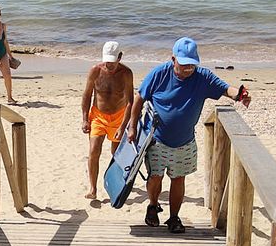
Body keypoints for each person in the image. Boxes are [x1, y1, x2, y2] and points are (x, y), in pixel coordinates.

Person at [124, 37, 250, 234]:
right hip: (156, 138)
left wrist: (241, 95)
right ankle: (152, 205)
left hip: (184, 142)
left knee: (178, 179)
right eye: (184, 64)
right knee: (155, 177)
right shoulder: (159, 74)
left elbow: (225, 89)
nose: (188, 68)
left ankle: (174, 217)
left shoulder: (202, 77)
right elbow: (139, 98)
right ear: (173, 59)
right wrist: (132, 127)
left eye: (192, 64)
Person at [80, 41, 134, 202]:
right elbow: (87, 95)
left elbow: (131, 101)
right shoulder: (95, 71)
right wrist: (84, 119)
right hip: (98, 115)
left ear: (120, 57)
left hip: (119, 116)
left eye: (113, 61)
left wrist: (124, 125)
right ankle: (93, 188)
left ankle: (115, 184)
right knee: (93, 150)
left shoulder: (126, 73)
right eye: (107, 61)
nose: (109, 64)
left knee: (115, 154)